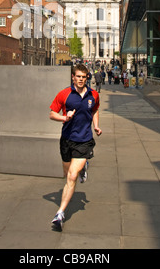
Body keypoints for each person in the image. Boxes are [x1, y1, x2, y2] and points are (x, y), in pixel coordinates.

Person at [49, 64, 102, 231]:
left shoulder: (93, 94)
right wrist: (65, 118)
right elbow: (52, 114)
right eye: (78, 76)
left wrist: (96, 126)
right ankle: (82, 168)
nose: (81, 79)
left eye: (83, 77)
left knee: (72, 177)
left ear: (87, 78)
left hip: (84, 140)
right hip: (66, 139)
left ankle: (60, 213)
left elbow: (94, 110)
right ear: (73, 77)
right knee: (67, 174)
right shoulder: (64, 94)